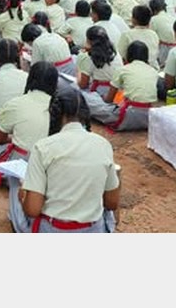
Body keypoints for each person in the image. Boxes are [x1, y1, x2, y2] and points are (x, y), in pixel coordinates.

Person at [8, 87, 120, 233]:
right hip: (93, 229)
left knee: (15, 183)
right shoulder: (103, 145)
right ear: (85, 114)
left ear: (55, 114)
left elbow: (33, 210)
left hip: (53, 229)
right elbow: (112, 203)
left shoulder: (43, 147)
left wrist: (23, 195)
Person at [0, 61, 57, 185]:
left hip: (20, 163)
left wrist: (14, 138)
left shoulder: (16, 103)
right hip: (50, 166)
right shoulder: (59, 107)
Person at [100, 41, 159, 131]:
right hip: (149, 117)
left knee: (94, 103)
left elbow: (109, 99)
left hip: (128, 115)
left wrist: (102, 98)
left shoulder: (122, 70)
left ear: (128, 55)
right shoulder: (153, 71)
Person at [117, 4, 160, 71]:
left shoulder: (127, 34)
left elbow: (120, 56)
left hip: (133, 70)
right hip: (153, 69)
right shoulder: (154, 34)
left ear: (134, 19)